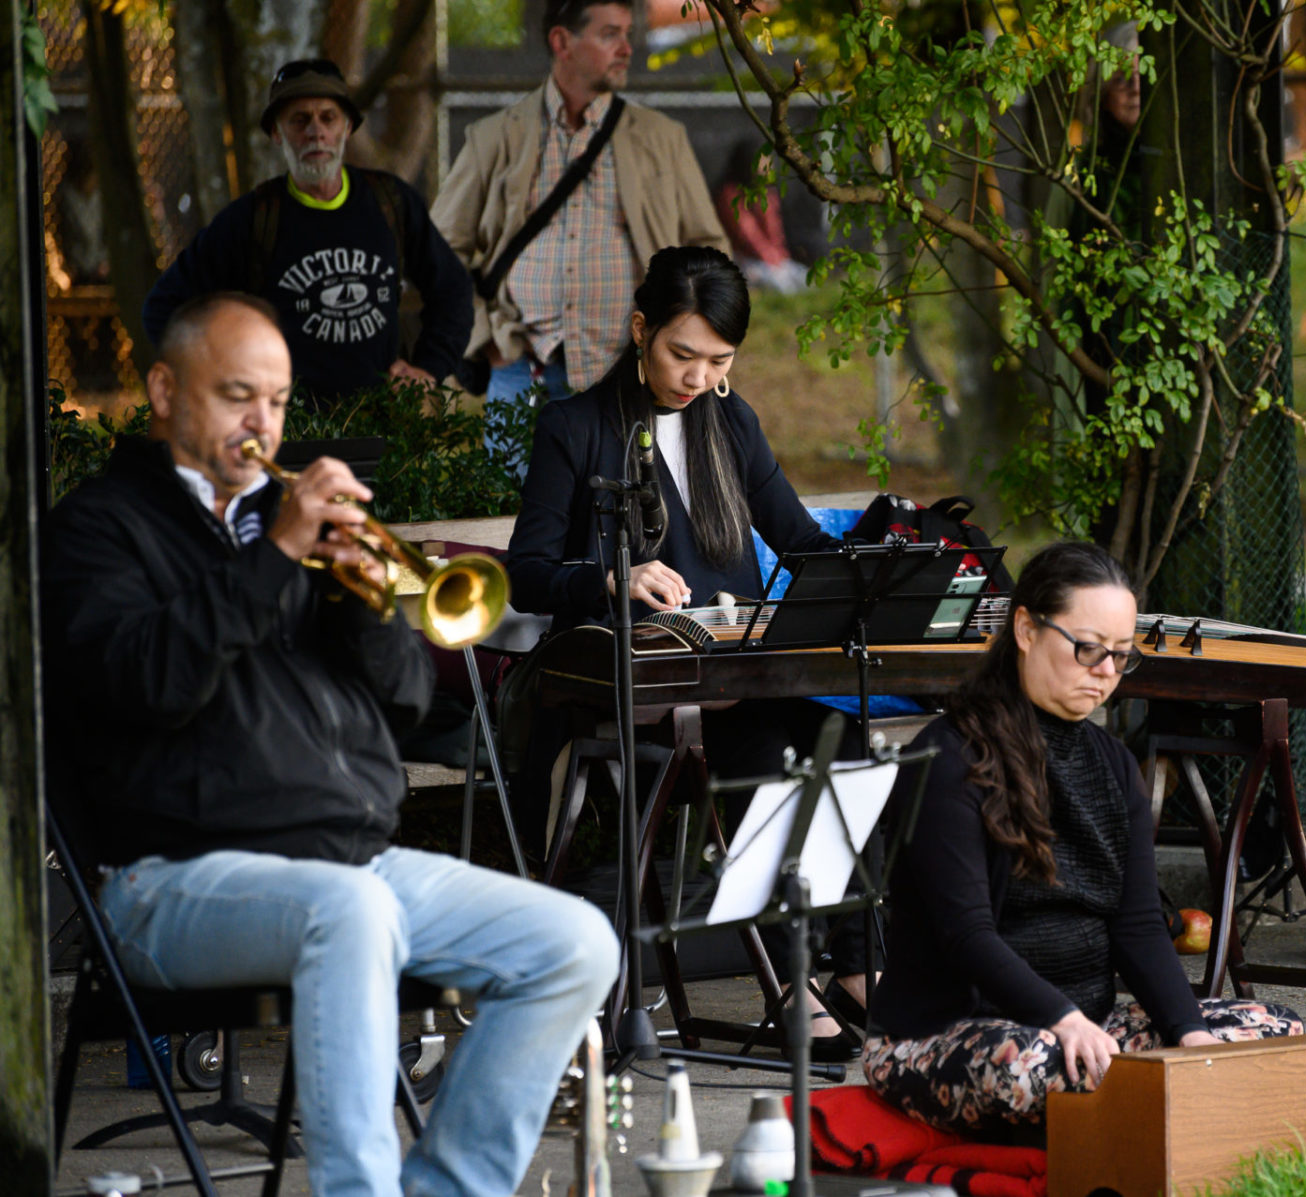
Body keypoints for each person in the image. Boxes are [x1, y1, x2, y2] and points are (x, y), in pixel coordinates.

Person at [42, 292, 617, 1197]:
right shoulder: (95, 530)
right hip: (168, 882)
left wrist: (366, 602)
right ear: (162, 389)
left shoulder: (299, 532)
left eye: (274, 401)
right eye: (237, 395)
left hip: (344, 865)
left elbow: (398, 705)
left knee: (576, 941)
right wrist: (272, 552)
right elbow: (147, 682)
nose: (261, 423)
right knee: (350, 912)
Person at [507, 244, 868, 1057]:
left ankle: (849, 967)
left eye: (718, 360)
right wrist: (611, 578)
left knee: (837, 742)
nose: (697, 376)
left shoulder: (731, 424)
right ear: (640, 331)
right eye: (682, 354)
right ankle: (787, 980)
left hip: (733, 677)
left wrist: (880, 567)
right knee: (752, 756)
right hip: (631, 695)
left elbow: (801, 540)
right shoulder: (575, 429)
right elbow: (527, 575)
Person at [863, 541, 1303, 1138]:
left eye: (1121, 657)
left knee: (1269, 1028)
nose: (1104, 672)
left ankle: (1154, 1096)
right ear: (1025, 628)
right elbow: (966, 936)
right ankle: (1149, 1106)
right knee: (1034, 1068)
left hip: (1087, 1028)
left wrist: (1191, 1036)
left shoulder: (1114, 764)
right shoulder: (947, 757)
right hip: (949, 1033)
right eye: (1088, 649)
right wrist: (1060, 1019)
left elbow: (1140, 923)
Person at [433, 0, 729, 473]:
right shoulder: (494, 136)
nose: (627, 48)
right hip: (518, 367)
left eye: (628, 34)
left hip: (625, 374)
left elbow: (707, 245)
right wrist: (483, 335)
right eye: (610, 34)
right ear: (562, 42)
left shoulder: (660, 138)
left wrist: (679, 341)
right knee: (512, 524)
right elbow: (440, 249)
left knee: (625, 523)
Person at [143, 59, 473, 410]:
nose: (315, 131)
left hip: (381, 425)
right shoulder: (254, 219)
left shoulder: (391, 204)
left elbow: (453, 290)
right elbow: (163, 307)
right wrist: (220, 378)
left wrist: (427, 369)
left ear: (346, 128)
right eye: (299, 120)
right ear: (276, 133)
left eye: (327, 118)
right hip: (288, 430)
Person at [715, 139, 810, 295]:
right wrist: (773, 261)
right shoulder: (730, 194)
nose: (769, 167)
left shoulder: (765, 192)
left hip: (771, 258)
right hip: (744, 259)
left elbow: (774, 231)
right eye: (764, 161)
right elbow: (747, 235)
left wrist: (779, 258)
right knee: (783, 288)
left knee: (806, 280)